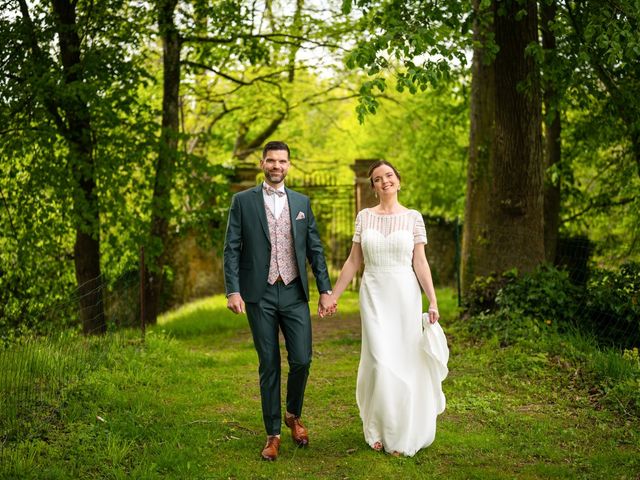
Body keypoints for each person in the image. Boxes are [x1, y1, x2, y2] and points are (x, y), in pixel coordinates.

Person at [223, 141, 336, 461]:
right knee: (269, 362)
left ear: (289, 165)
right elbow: (231, 247)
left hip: (294, 291)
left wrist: (325, 290)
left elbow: (315, 249)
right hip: (258, 293)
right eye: (271, 161)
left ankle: (293, 414)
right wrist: (233, 290)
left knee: (302, 359)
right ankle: (273, 433)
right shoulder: (242, 201)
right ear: (262, 164)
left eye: (282, 161)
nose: (276, 166)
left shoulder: (302, 202)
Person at [328, 160, 448, 457]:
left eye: (389, 176)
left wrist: (432, 300)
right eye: (378, 179)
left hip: (404, 294)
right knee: (379, 360)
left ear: (398, 180)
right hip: (373, 294)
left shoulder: (413, 218)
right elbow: (354, 261)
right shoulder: (364, 217)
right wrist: (334, 296)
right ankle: (378, 427)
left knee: (405, 360)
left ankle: (401, 431)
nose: (385, 182)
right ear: (373, 187)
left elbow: (420, 262)